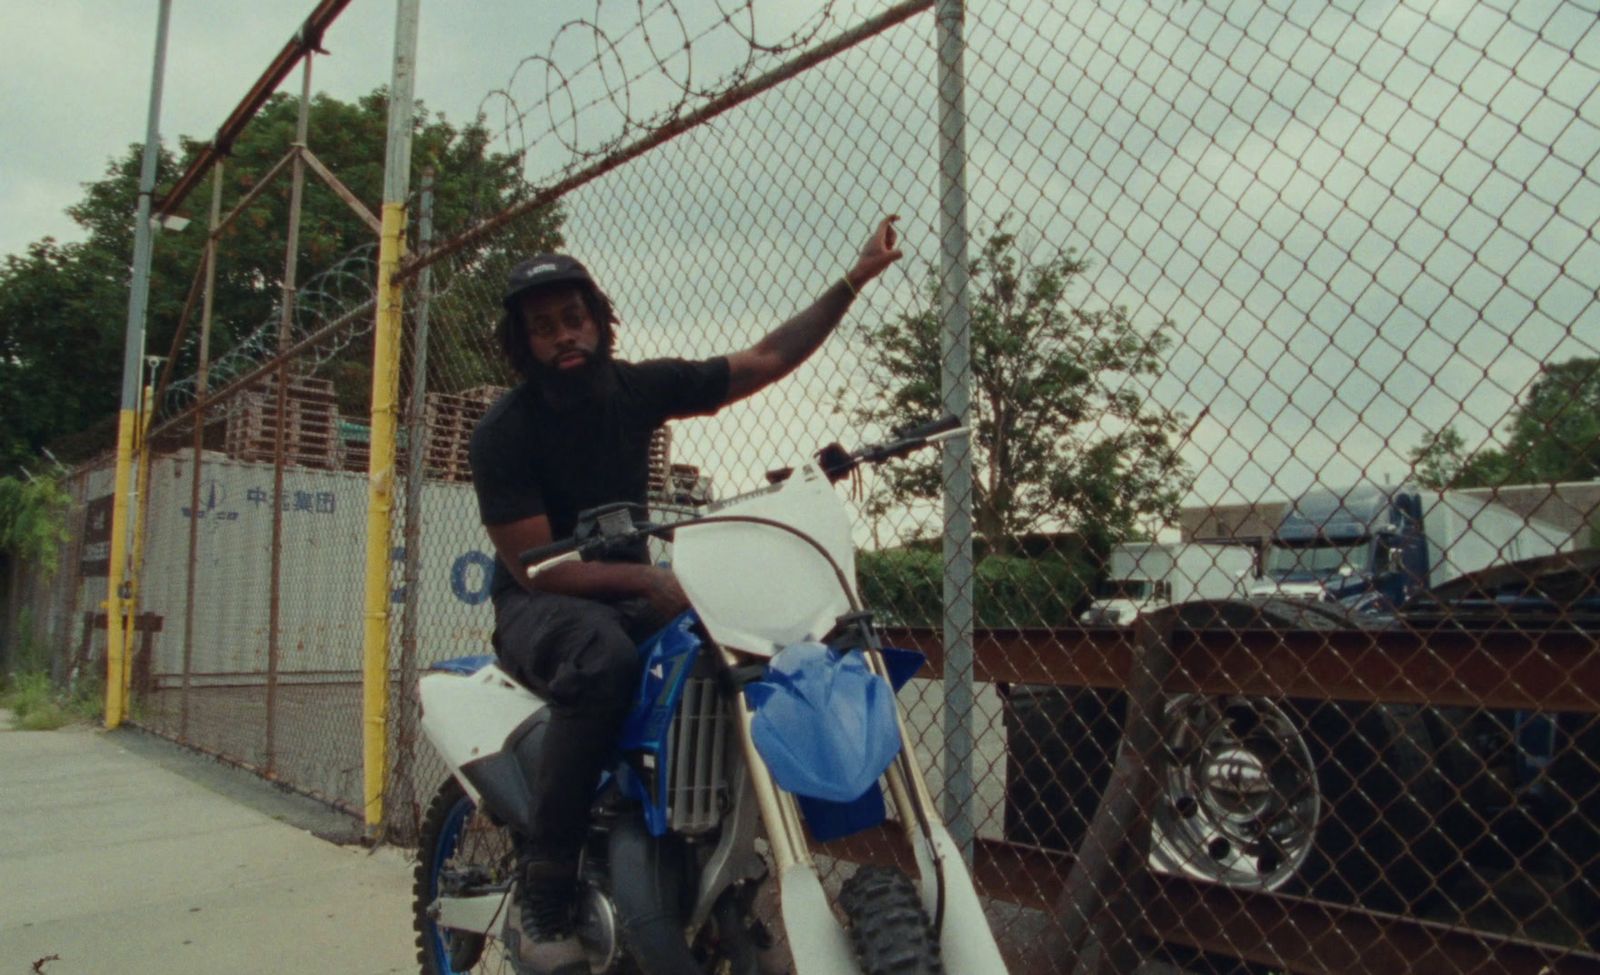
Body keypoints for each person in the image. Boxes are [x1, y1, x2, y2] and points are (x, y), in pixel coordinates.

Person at [468, 216, 902, 974]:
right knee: (602, 660)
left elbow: (764, 359)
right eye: (544, 328)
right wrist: (648, 577)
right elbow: (538, 566)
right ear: (524, 343)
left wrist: (852, 280)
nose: (564, 336)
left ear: (600, 321)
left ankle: (714, 857)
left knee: (735, 650)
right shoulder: (506, 429)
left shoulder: (635, 388)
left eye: (575, 318)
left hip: (626, 593)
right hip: (543, 603)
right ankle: (547, 885)